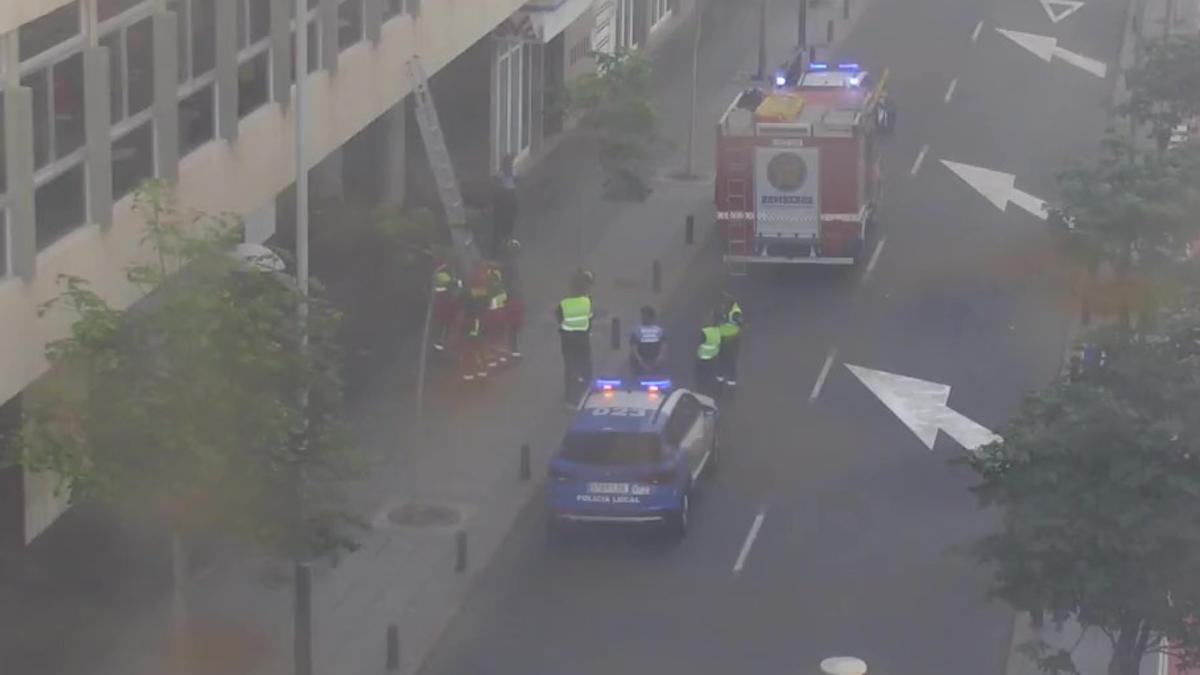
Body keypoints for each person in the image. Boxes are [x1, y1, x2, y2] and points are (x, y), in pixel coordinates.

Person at [556, 269, 594, 406]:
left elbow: (559, 318)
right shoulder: (587, 301)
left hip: (567, 340)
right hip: (582, 339)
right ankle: (586, 394)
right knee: (585, 366)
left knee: (570, 368)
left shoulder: (565, 303)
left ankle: (571, 399)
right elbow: (590, 319)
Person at [491, 154, 519, 257]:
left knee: (509, 222)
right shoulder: (500, 176)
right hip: (503, 202)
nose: (510, 166)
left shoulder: (513, 174)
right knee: (500, 224)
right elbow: (497, 190)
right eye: (508, 164)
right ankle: (498, 244)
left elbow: (516, 181)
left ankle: (507, 239)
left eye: (510, 164)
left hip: (510, 201)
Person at [431, 258, 461, 352]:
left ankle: (441, 341)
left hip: (444, 302)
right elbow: (448, 283)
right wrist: (456, 283)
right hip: (442, 302)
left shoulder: (441, 272)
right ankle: (440, 342)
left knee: (444, 324)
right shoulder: (441, 273)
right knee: (443, 324)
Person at [629, 306, 667, 376]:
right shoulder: (637, 330)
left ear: (651, 317)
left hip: (655, 361)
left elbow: (663, 346)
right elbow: (634, 347)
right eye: (643, 315)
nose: (644, 317)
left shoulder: (659, 331)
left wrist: (659, 358)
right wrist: (639, 360)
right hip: (640, 362)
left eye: (646, 315)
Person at [695, 310, 723, 399]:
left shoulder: (705, 331)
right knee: (711, 375)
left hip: (702, 357)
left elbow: (699, 342)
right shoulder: (720, 331)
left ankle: (701, 391)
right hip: (714, 357)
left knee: (701, 376)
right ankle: (711, 392)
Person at [718, 293, 744, 387]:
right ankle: (720, 379)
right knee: (722, 358)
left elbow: (740, 324)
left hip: (731, 339)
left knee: (731, 360)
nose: (723, 305)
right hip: (724, 338)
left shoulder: (735, 313)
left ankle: (731, 383)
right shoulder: (726, 309)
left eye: (725, 303)